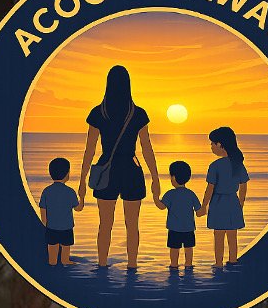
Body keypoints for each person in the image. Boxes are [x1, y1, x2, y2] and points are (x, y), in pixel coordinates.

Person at [76, 64, 161, 268]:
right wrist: (155, 179)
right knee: (132, 226)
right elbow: (147, 149)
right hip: (132, 171)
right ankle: (132, 266)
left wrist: (82, 181)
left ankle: (102, 266)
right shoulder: (138, 114)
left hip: (106, 171)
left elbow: (89, 150)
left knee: (105, 225)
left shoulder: (98, 113)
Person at [202, 126, 249, 266]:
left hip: (218, 202)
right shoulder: (237, 164)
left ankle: (218, 263)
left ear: (220, 145)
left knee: (219, 235)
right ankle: (233, 260)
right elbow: (243, 186)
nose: (211, 146)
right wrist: (240, 204)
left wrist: (204, 206)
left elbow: (209, 189)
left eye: (212, 143)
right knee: (232, 235)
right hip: (233, 202)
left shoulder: (215, 166)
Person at [160, 159, 201, 274]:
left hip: (174, 229)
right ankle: (188, 266)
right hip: (188, 228)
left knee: (174, 249)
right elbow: (199, 210)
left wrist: (154, 197)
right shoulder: (191, 194)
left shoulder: (170, 194)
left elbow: (161, 206)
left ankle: (174, 267)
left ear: (173, 178)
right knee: (189, 249)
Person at [38, 157, 77, 266]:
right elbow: (77, 207)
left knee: (52, 250)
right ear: (67, 174)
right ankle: (65, 261)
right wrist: (82, 200)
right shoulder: (70, 192)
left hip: (52, 227)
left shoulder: (46, 191)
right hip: (66, 227)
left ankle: (52, 262)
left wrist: (45, 224)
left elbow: (43, 209)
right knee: (65, 249)